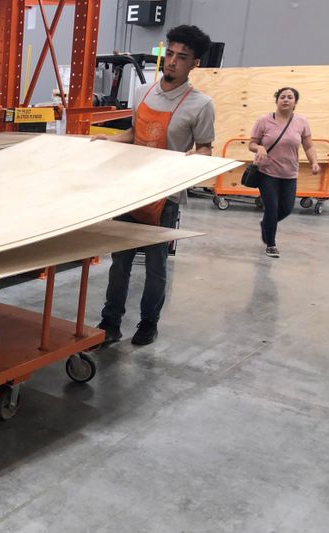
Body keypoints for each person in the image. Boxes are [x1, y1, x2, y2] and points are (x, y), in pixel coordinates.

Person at [91, 25, 215, 346]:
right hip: (132, 191)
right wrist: (110, 140)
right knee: (120, 264)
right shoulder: (142, 93)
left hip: (166, 197)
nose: (172, 62)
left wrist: (191, 160)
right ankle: (110, 322)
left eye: (181, 57)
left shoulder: (201, 105)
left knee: (156, 266)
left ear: (194, 64)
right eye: (169, 54)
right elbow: (135, 134)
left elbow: (205, 148)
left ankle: (149, 323)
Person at [249, 87, 320, 258]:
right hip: (267, 172)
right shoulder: (264, 120)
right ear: (277, 101)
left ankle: (266, 224)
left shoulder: (301, 122)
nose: (286, 100)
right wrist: (259, 148)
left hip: (289, 174)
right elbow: (251, 144)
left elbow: (308, 146)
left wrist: (314, 162)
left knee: (287, 209)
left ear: (295, 102)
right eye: (282, 97)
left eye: (290, 97)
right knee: (272, 208)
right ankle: (271, 244)